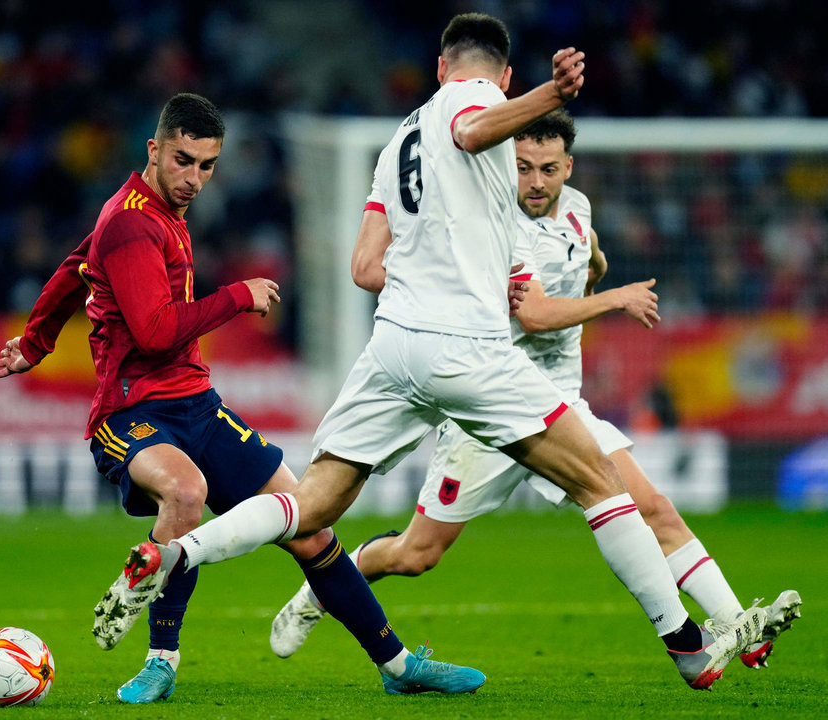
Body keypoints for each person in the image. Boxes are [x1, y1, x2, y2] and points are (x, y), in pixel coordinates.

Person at [95, 14, 765, 691]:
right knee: (601, 484)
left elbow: (365, 264)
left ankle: (176, 552)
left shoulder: (396, 141)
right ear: (497, 77)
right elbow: (473, 129)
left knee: (313, 505)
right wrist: (550, 93)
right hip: (468, 347)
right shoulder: (478, 102)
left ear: (439, 66)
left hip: (392, 346)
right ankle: (685, 645)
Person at [0, 92, 486, 702]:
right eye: (182, 160)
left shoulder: (151, 213)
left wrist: (35, 342)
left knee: (311, 526)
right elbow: (153, 332)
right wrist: (236, 297)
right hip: (131, 411)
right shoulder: (130, 223)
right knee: (185, 490)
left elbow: (73, 267)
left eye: (207, 164)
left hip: (198, 404)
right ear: (154, 149)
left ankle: (399, 666)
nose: (194, 178)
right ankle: (160, 661)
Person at [268, 108, 803, 671]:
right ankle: (320, 590)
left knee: (653, 507)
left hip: (560, 404)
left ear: (567, 166)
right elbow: (538, 314)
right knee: (416, 554)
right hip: (489, 409)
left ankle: (741, 626)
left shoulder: (577, 209)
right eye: (523, 167)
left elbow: (586, 255)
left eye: (548, 168)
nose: (536, 181)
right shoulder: (494, 224)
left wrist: (595, 267)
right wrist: (612, 298)